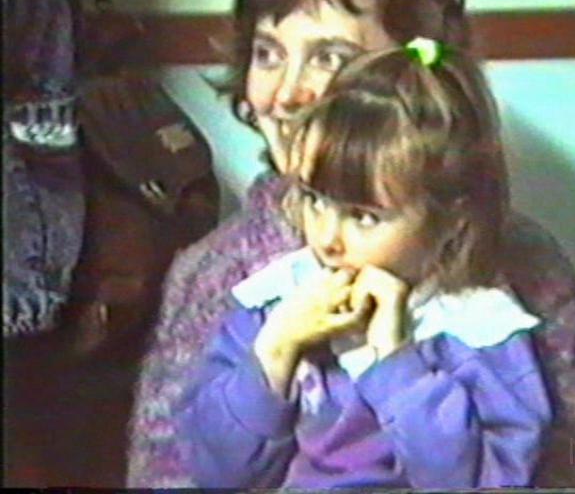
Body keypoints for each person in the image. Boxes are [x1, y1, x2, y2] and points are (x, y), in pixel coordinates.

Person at [127, 0, 575, 488]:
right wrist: (273, 355)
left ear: (409, 75)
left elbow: (553, 474)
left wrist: (400, 371)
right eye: (268, 54)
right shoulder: (217, 277)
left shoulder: (523, 271)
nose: (286, 94)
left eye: (329, 57)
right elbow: (176, 473)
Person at [178, 43, 553, 488]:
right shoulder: (272, 302)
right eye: (314, 200)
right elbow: (215, 473)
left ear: (449, 222)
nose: (327, 238)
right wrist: (275, 351)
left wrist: (396, 364)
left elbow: (483, 482)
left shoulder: (481, 330)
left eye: (363, 217)